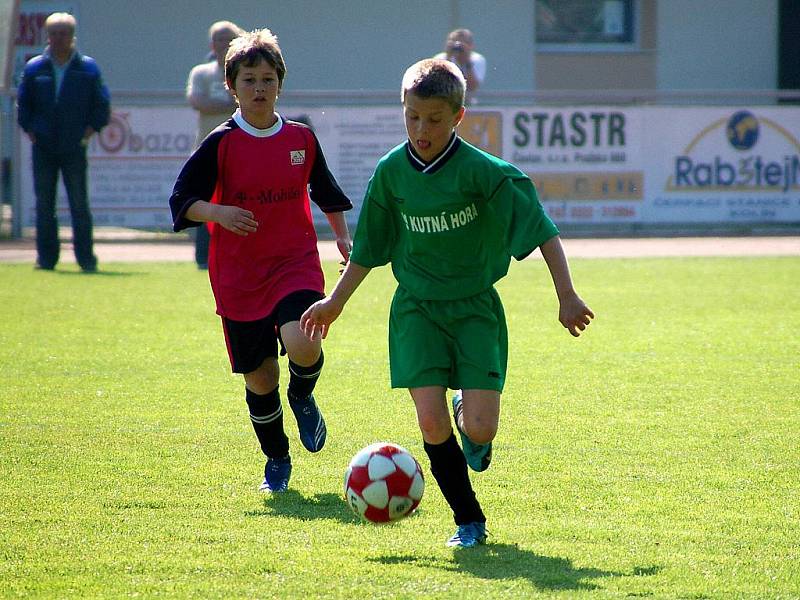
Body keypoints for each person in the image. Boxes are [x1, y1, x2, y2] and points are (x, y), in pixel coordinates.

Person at [300, 59, 593, 548]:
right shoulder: (392, 173)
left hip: (476, 309)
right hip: (416, 309)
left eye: (434, 119)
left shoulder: (486, 174)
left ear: (458, 117)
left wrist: (567, 296)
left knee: (480, 427)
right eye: (412, 116)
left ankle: (469, 417)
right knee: (429, 419)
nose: (421, 129)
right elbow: (370, 249)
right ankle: (468, 520)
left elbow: (543, 231)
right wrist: (335, 301)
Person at [169, 29, 353, 493]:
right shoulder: (221, 142)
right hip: (239, 275)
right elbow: (181, 200)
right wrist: (218, 212)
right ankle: (277, 458)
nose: (258, 88)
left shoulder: (301, 138)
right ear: (231, 86)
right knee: (260, 377)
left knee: (304, 342)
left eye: (267, 79)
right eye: (249, 79)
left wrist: (343, 238)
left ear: (280, 84)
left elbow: (326, 192)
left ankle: (303, 393)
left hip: (294, 262)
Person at [16, 12, 110, 272]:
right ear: (47, 35)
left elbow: (101, 105)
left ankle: (86, 260)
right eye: (54, 33)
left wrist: (87, 133)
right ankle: (46, 259)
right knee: (44, 205)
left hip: (74, 146)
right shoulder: (34, 68)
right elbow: (24, 106)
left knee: (79, 204)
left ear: (72, 36)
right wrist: (32, 131)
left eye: (64, 33)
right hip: (43, 146)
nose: (59, 38)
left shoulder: (88, 67)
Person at [186, 20, 244, 270]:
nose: (222, 44)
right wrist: (231, 105)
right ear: (211, 44)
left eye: (227, 39)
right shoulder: (201, 73)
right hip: (206, 149)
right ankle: (203, 257)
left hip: (241, 149)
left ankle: (240, 254)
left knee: (240, 201)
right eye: (218, 39)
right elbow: (197, 101)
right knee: (206, 202)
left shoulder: (245, 71)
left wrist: (216, 104)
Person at [434, 28, 486, 104]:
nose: (458, 47)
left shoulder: (477, 59)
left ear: (471, 45)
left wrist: (467, 62)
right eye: (454, 43)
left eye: (463, 44)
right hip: (444, 102)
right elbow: (439, 83)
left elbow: (472, 87)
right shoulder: (440, 58)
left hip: (467, 103)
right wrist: (448, 59)